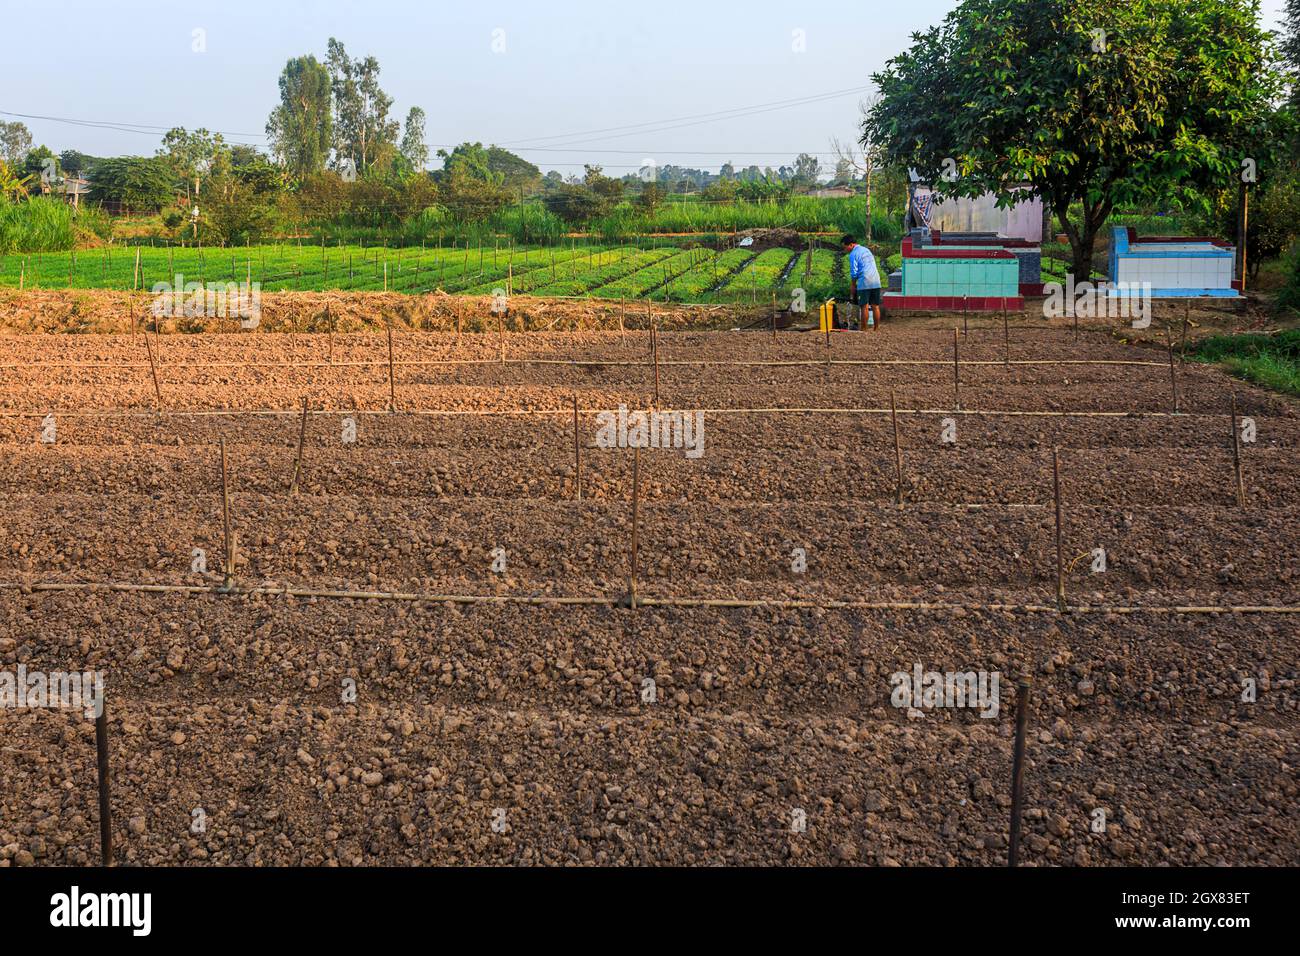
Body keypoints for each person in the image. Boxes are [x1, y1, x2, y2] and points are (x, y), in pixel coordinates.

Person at [842, 235, 882, 330]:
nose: (845, 250)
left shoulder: (853, 254)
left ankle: (864, 329)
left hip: (865, 281)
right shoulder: (866, 250)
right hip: (876, 280)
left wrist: (853, 285)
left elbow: (854, 272)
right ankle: (876, 329)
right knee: (875, 306)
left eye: (845, 247)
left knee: (864, 306)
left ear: (851, 245)